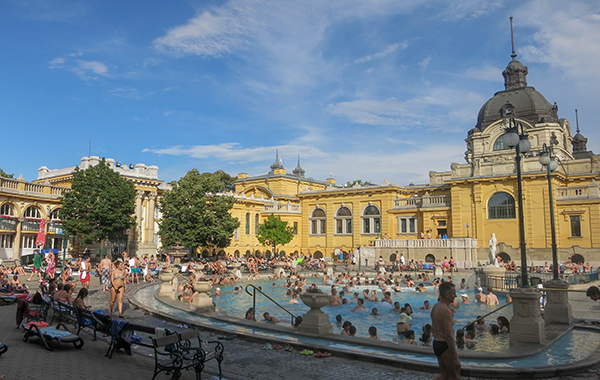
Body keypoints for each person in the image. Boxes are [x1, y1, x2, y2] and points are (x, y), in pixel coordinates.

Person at [431, 281, 461, 380]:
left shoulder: (435, 307)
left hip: (436, 343)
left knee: (444, 376)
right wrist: (456, 358)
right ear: (447, 295)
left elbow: (435, 327)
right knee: (454, 377)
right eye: (454, 293)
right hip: (445, 345)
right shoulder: (445, 311)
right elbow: (449, 335)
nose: (455, 296)